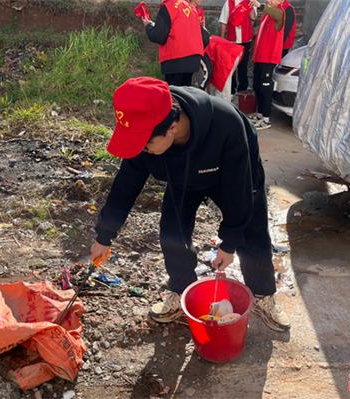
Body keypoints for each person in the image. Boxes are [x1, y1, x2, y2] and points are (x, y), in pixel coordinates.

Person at [89, 77, 290, 332]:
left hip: (229, 173)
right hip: (182, 178)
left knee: (252, 231)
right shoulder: (146, 139)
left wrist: (228, 243)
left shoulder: (225, 125)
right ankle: (180, 289)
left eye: (146, 144)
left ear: (172, 126)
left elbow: (240, 192)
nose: (142, 150)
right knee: (172, 232)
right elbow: (125, 186)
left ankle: (263, 294)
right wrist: (104, 235)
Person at [141, 0, 207, 87]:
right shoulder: (191, 7)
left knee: (174, 95)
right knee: (185, 95)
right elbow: (205, 38)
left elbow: (158, 37)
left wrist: (148, 26)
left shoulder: (168, 7)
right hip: (193, 60)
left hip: (175, 59)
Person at [249, 0, 285, 131]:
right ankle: (259, 114)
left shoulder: (280, 13)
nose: (269, 0)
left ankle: (266, 118)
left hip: (268, 58)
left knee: (265, 88)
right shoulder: (267, 14)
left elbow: (276, 14)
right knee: (257, 85)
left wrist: (261, 6)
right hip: (260, 56)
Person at [218, 0, 257, 94]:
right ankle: (232, 88)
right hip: (232, 40)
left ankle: (242, 88)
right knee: (231, 66)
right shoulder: (229, 3)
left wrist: (251, 6)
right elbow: (223, 22)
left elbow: (253, 17)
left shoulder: (249, 2)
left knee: (243, 65)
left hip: (245, 40)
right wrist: (222, 40)